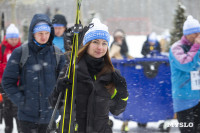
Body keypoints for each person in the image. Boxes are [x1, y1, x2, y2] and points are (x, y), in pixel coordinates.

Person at [49, 18, 129, 133]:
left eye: (104, 43)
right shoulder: (71, 69)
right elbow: (52, 103)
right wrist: (58, 89)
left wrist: (123, 93)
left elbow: (117, 110)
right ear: (87, 44)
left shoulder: (112, 74)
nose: (100, 47)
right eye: (95, 42)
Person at [2, 14, 65, 133]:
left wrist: (58, 105)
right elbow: (8, 82)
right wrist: (22, 102)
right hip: (27, 118)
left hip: (51, 117)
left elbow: (63, 82)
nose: (44, 37)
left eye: (46, 33)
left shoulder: (57, 54)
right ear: (33, 33)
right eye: (40, 33)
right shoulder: (21, 52)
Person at [169, 15, 200, 133]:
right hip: (183, 99)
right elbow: (187, 65)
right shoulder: (176, 48)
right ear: (187, 34)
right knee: (187, 130)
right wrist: (196, 47)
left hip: (198, 97)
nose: (198, 36)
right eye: (195, 33)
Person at [0, 24, 21, 133]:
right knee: (7, 109)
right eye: (11, 39)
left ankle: (20, 129)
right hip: (5, 84)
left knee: (18, 108)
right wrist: (5, 67)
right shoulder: (2, 48)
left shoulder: (22, 48)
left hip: (18, 84)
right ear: (7, 38)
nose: (14, 41)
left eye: (15, 38)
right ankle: (8, 129)